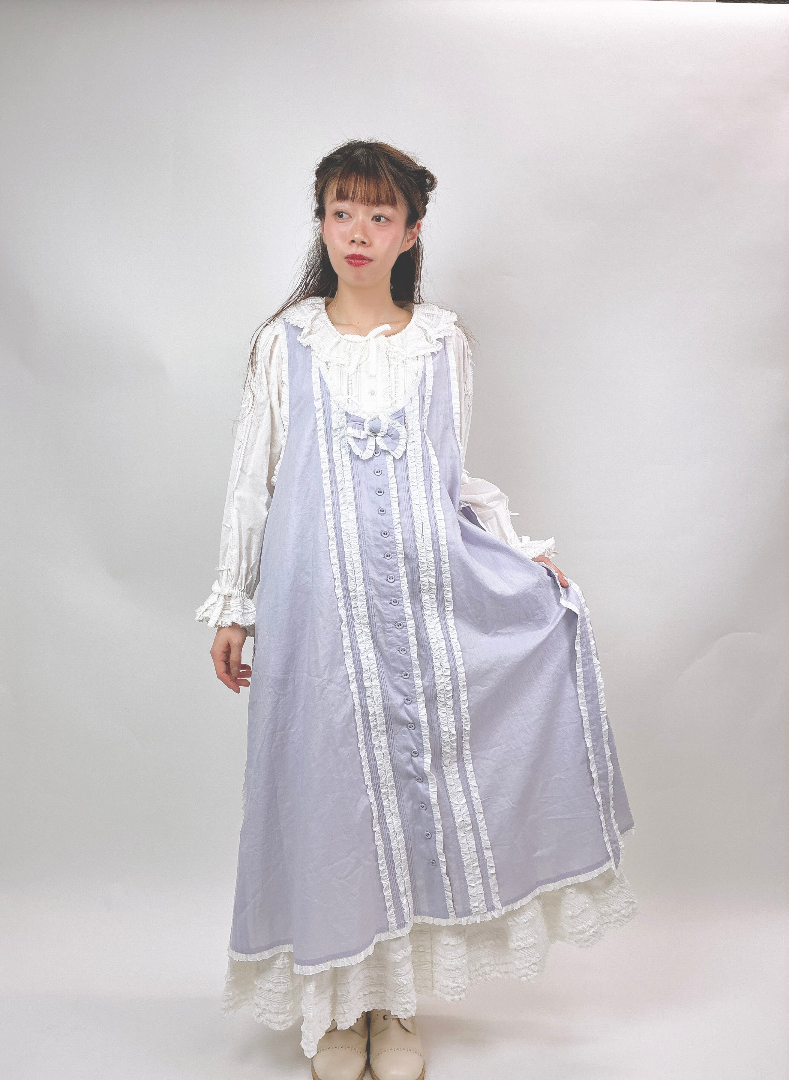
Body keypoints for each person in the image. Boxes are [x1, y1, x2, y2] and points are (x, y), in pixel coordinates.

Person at [195, 139, 638, 1080]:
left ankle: (392, 1005)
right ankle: (335, 1009)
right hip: (314, 612)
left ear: (411, 231)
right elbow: (252, 479)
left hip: (417, 609)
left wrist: (518, 553)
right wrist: (235, 600)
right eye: (340, 212)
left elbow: (447, 474)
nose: (357, 232)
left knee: (409, 796)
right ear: (321, 223)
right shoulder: (285, 344)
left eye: (378, 215)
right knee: (324, 798)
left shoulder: (442, 343)